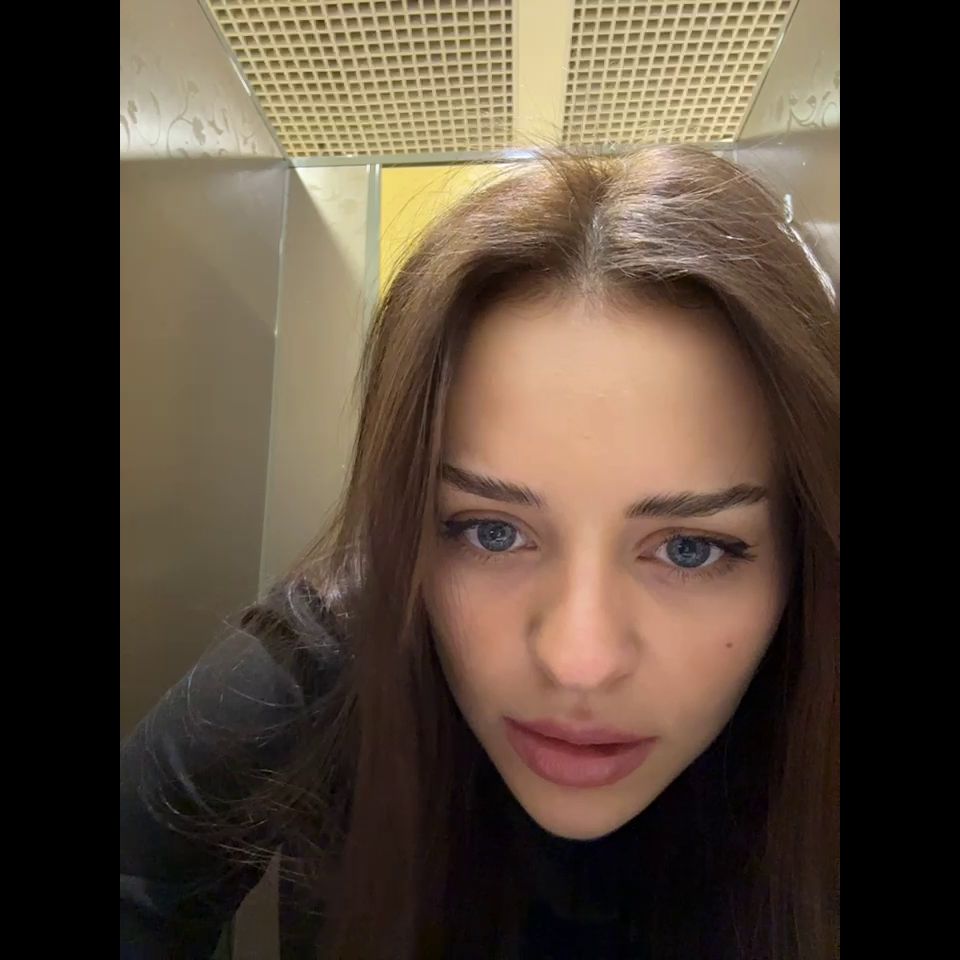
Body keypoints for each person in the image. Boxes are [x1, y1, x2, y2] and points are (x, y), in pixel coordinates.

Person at [120, 145, 839, 959]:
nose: (578, 661)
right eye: (491, 531)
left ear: (802, 560)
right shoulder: (322, 664)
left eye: (690, 548)